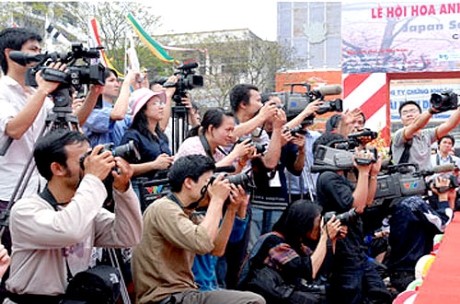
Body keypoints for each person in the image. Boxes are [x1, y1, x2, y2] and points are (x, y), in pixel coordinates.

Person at [4, 130, 142, 303]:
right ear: (57, 168)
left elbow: (129, 235)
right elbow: (68, 230)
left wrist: (122, 190)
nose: (91, 164)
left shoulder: (84, 209)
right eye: (84, 160)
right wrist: (93, 179)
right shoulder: (25, 211)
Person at [131, 154, 265, 304]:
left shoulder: (188, 213)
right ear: (188, 182)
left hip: (184, 294)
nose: (211, 188)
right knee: (252, 301)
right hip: (163, 298)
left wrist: (232, 210)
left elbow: (217, 249)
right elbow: (202, 243)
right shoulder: (163, 208)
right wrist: (217, 199)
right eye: (208, 181)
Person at [0, 27, 101, 204]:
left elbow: (71, 125)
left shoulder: (36, 93)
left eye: (40, 50)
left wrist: (93, 94)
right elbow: (14, 129)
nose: (39, 55)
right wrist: (44, 89)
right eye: (33, 50)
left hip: (41, 186)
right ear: (10, 53)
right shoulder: (4, 91)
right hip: (10, 190)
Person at [315, 132, 391, 304]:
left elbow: (367, 201)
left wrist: (372, 173)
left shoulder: (339, 175)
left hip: (356, 246)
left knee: (378, 292)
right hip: (343, 248)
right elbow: (356, 206)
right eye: (343, 147)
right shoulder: (328, 177)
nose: (351, 151)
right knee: (351, 295)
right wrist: (363, 173)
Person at [240, 200, 342, 304]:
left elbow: (321, 270)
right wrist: (325, 236)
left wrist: (332, 239)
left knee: (329, 292)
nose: (320, 226)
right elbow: (308, 272)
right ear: (304, 223)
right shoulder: (274, 242)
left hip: (282, 292)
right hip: (264, 295)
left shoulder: (298, 243)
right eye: (318, 221)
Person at [119, 88, 174, 210]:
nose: (160, 107)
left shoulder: (162, 136)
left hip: (161, 188)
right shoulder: (132, 136)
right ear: (142, 110)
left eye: (160, 103)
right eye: (154, 103)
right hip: (140, 190)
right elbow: (122, 168)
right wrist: (154, 165)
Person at [391, 100, 460, 171]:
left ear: (420, 115)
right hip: (406, 180)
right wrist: (432, 110)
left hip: (425, 179)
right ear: (401, 118)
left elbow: (449, 125)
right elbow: (416, 125)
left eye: (413, 111)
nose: (409, 115)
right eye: (404, 113)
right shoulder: (399, 135)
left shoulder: (427, 134)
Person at [82, 68, 140, 147]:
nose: (117, 85)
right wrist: (126, 83)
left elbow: (141, 122)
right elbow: (118, 114)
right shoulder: (90, 111)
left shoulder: (119, 110)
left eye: (117, 81)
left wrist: (141, 89)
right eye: (111, 81)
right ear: (99, 85)